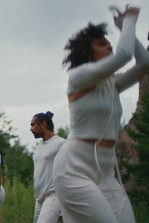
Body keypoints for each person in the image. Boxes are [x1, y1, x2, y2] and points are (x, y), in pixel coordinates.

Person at [53, 5, 149, 223]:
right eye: (102, 44)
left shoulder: (112, 82)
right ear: (88, 52)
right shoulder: (78, 77)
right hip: (73, 170)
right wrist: (131, 19)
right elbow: (125, 54)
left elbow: (144, 64)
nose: (110, 47)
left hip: (105, 171)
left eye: (109, 43)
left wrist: (124, 26)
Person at [30, 112, 64, 223]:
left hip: (54, 195)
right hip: (39, 198)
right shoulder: (39, 147)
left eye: (33, 125)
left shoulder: (61, 143)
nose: (31, 129)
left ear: (43, 124)